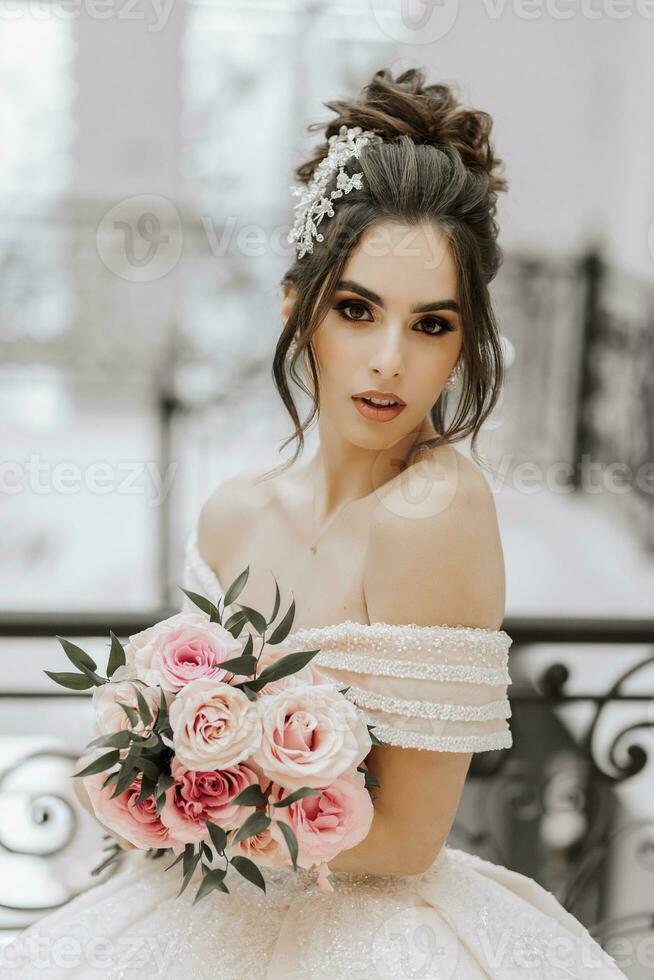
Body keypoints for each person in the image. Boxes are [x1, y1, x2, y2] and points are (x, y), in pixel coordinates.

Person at [0, 67, 627, 979]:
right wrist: (149, 775)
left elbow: (410, 837)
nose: (388, 361)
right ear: (301, 307)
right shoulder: (229, 517)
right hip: (204, 907)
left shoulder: (433, 510)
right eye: (357, 309)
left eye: (432, 325)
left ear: (467, 342)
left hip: (369, 934)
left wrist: (204, 807)